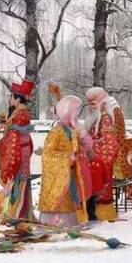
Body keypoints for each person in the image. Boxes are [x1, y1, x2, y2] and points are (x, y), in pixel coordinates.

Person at [39, 95, 93, 227]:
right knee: (62, 199)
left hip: (71, 173)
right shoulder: (56, 131)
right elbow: (47, 153)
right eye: (74, 111)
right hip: (60, 174)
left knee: (72, 197)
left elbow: (77, 147)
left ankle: (72, 223)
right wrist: (67, 157)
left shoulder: (73, 131)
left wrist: (79, 153)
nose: (76, 115)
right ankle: (55, 224)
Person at [0, 78, 35, 221]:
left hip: (20, 150)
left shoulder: (20, 114)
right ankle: (18, 212)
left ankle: (18, 213)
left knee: (19, 178)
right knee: (19, 179)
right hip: (22, 148)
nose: (10, 99)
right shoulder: (20, 112)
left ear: (17, 99)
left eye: (11, 97)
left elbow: (14, 134)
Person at [84, 87, 121, 221]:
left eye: (93, 103)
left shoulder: (105, 118)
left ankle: (100, 213)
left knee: (99, 189)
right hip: (92, 160)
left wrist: (90, 145)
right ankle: (90, 212)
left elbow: (108, 141)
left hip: (100, 161)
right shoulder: (95, 119)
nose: (90, 107)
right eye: (89, 103)